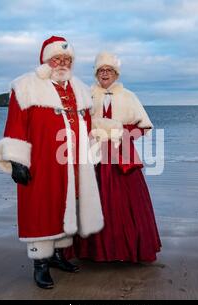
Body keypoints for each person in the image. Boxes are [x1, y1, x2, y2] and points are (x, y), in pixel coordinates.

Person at [0, 36, 103, 289]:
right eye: (57, 58)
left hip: (72, 162)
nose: (62, 63)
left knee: (67, 205)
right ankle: (40, 263)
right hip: (40, 162)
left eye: (67, 59)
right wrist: (16, 160)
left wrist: (93, 155)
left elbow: (89, 126)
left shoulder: (82, 89)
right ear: (46, 60)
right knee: (40, 209)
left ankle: (59, 254)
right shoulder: (25, 86)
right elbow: (16, 124)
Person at [66, 52, 161, 263]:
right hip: (94, 154)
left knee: (127, 202)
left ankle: (128, 251)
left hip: (122, 153)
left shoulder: (128, 96)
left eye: (108, 70)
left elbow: (144, 126)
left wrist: (121, 135)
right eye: (101, 70)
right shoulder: (87, 95)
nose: (105, 74)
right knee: (93, 200)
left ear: (116, 74)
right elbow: (78, 124)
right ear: (96, 74)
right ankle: (93, 251)